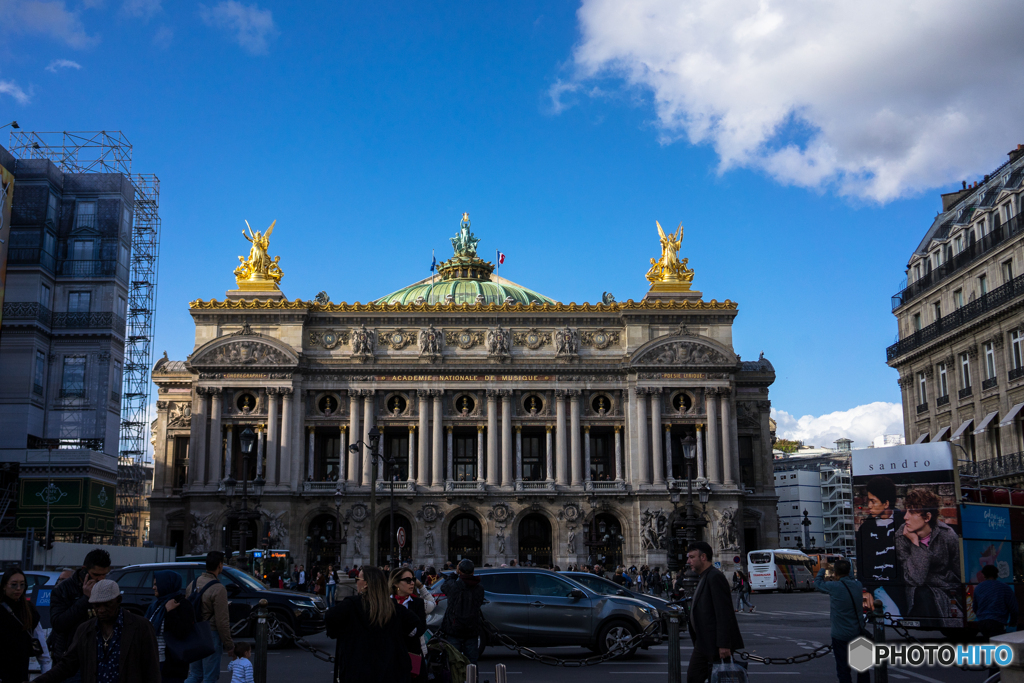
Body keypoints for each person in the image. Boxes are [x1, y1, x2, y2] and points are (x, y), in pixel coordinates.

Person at [35, 579, 161, 683]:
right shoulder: (85, 630)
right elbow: (67, 665)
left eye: (107, 604)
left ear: (118, 601)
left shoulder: (140, 627)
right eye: (97, 605)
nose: (101, 610)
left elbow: (152, 670)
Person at [325, 565, 423, 683]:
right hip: (390, 671)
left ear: (366, 584)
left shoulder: (351, 605)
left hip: (358, 671)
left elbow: (330, 620)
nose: (357, 582)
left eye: (358, 579)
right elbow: (415, 624)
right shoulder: (393, 607)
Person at [895, 487, 961, 618]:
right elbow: (915, 579)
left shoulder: (947, 535)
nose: (905, 517)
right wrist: (915, 544)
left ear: (927, 517)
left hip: (946, 590)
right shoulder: (902, 536)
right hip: (919, 593)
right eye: (906, 511)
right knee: (923, 594)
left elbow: (958, 572)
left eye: (912, 512)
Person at [685, 542, 744, 683]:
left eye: (692, 557)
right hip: (705, 641)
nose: (688, 561)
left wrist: (724, 644)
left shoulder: (714, 577)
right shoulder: (706, 576)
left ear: (703, 557)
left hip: (713, 643)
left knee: (697, 677)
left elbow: (724, 613)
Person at [48, 547, 113, 675]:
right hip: (70, 655)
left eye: (104, 575)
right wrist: (85, 599)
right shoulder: (63, 589)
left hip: (97, 655)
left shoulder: (106, 587)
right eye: (96, 575)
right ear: (84, 571)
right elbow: (58, 623)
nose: (100, 579)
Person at [855, 475, 906, 616]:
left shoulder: (905, 522)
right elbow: (861, 564)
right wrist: (866, 590)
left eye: (873, 501)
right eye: (868, 501)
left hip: (901, 588)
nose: (869, 506)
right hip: (875, 588)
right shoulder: (865, 529)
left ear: (886, 503)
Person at [814, 559, 869, 683]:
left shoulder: (834, 587)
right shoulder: (858, 585)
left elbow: (817, 584)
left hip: (840, 635)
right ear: (849, 571)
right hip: (857, 633)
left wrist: (823, 568)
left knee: (843, 669)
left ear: (835, 573)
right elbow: (849, 577)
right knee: (862, 669)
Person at [185, 551, 235, 683]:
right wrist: (229, 645)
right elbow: (222, 622)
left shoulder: (192, 584)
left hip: (194, 631)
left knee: (195, 675)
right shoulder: (218, 589)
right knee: (210, 676)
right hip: (210, 634)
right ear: (220, 565)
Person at [147, 570, 197, 683]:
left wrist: (171, 612)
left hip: (172, 667)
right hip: (154, 663)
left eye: (156, 584)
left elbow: (182, 633)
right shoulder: (156, 605)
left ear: (166, 584)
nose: (153, 588)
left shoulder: (182, 604)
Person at [1, 567, 47, 683]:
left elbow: (40, 641)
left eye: (22, 584)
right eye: (14, 584)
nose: (18, 589)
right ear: (4, 586)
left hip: (20, 672)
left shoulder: (28, 610)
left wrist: (46, 671)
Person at [974, 564, 1019, 675]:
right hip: (997, 621)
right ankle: (995, 674)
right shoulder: (1004, 588)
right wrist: (1013, 622)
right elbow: (1013, 607)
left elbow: (975, 607)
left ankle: (993, 671)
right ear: (997, 574)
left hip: (982, 622)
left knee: (990, 646)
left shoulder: (979, 587)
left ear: (984, 575)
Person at [440, 559, 485, 665]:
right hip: (472, 630)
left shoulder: (454, 586)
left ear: (459, 571)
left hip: (454, 629)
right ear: (473, 572)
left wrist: (455, 573)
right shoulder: (479, 588)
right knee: (472, 662)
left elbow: (444, 586)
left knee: (454, 662)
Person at [390, 567, 431, 682]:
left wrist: (402, 628)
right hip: (392, 655)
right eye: (408, 580)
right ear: (396, 583)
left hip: (413, 654)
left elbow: (421, 628)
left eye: (413, 579)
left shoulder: (418, 602)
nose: (412, 583)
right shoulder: (387, 602)